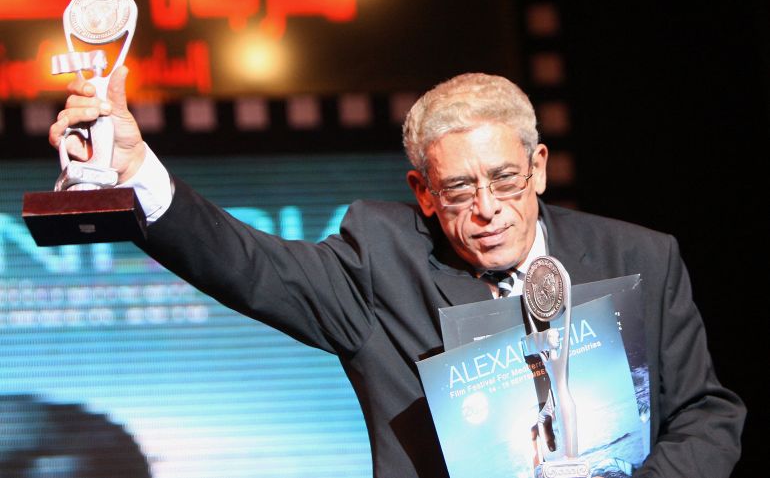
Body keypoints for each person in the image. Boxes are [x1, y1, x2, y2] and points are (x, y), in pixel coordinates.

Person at [49, 69, 745, 478]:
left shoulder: (642, 258)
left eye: (506, 179)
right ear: (422, 192)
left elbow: (708, 416)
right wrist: (137, 171)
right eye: (459, 190)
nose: (488, 210)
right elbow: (249, 265)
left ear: (538, 167)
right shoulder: (381, 264)